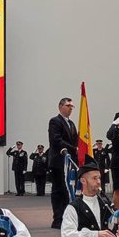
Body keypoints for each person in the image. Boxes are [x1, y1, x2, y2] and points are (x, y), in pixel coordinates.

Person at [48, 98, 78, 229]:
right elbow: (56, 140)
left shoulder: (71, 123)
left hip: (69, 162)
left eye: (72, 106)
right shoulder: (55, 121)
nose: (70, 108)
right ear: (60, 107)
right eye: (68, 105)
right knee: (58, 190)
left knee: (68, 191)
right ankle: (57, 219)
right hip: (59, 161)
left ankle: (67, 218)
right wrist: (73, 148)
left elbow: (76, 140)